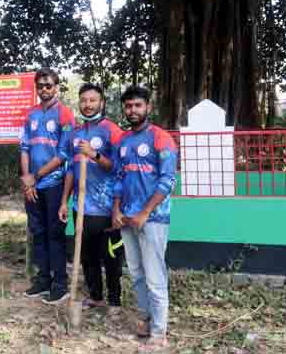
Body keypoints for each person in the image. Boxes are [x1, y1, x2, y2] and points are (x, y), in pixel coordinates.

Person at [111, 86, 177, 352]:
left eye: (137, 105)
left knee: (154, 276)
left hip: (153, 219)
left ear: (148, 107)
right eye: (128, 106)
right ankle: (146, 318)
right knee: (136, 273)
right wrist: (117, 210)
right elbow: (117, 178)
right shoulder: (123, 141)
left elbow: (167, 181)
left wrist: (145, 212)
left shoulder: (161, 138)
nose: (132, 111)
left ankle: (159, 333)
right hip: (126, 217)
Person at [58, 83, 124, 312]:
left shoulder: (112, 131)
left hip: (106, 208)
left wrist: (94, 155)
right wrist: (64, 201)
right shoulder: (75, 133)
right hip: (81, 206)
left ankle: (115, 300)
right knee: (86, 255)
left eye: (92, 100)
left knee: (111, 256)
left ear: (101, 103)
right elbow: (69, 169)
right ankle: (95, 296)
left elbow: (118, 168)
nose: (87, 105)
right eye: (84, 100)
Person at [20, 68, 75, 305]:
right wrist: (26, 179)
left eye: (49, 85)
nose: (44, 89)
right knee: (38, 232)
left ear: (56, 87)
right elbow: (24, 148)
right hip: (32, 186)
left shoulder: (65, 115)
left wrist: (36, 176)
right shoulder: (30, 114)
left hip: (53, 184)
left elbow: (63, 155)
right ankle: (42, 279)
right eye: (40, 85)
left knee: (55, 234)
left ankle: (60, 284)